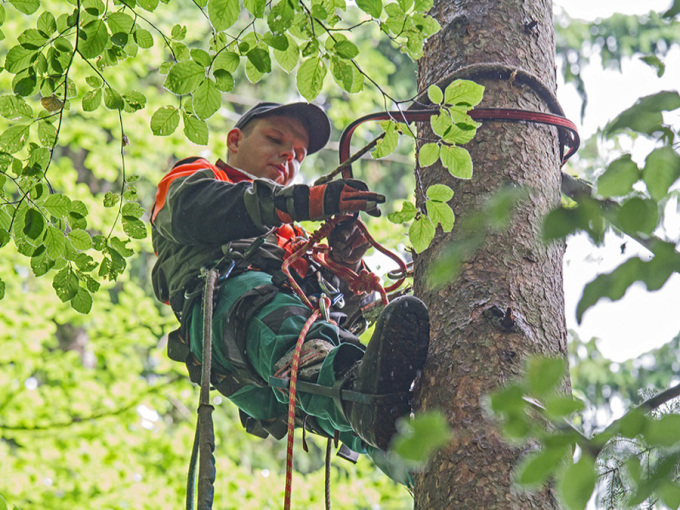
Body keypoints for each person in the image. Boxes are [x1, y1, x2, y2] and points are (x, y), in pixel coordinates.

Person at [150, 101, 430, 484]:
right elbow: (192, 213)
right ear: (235, 139)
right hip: (231, 310)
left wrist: (342, 266)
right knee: (292, 329)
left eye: (298, 154)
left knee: (379, 415)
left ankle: (433, 469)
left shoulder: (294, 237)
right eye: (275, 139)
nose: (288, 155)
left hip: (293, 368)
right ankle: (355, 394)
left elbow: (339, 318)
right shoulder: (199, 177)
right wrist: (302, 202)